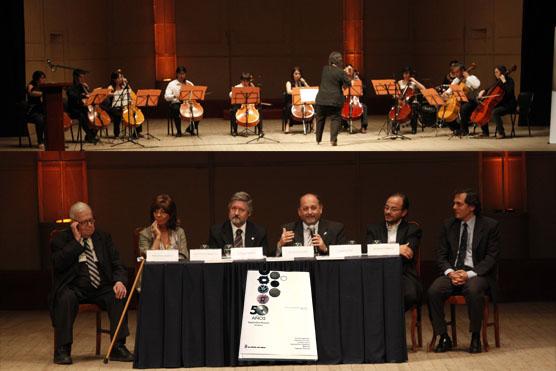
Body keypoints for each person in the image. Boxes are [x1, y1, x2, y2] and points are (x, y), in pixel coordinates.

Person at [48, 202, 134, 365]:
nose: (90, 225)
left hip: (101, 287)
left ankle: (117, 346)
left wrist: (119, 281)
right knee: (65, 298)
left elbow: (118, 264)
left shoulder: (103, 237)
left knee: (118, 294)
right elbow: (58, 263)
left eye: (92, 220)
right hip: (73, 287)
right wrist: (77, 242)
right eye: (85, 222)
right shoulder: (60, 239)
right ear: (74, 224)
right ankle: (62, 350)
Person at [427, 189, 500, 354]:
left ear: (472, 207)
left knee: (473, 290)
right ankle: (443, 336)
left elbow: (491, 258)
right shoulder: (448, 225)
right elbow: (441, 254)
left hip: (478, 273)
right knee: (433, 291)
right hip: (453, 271)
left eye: (458, 204)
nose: (454, 207)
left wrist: (469, 274)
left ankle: (475, 336)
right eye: (454, 203)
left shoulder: (490, 226)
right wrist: (450, 272)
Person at [366, 193, 422, 311]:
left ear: (404, 212)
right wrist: (397, 249)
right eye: (386, 208)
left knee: (410, 295)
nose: (388, 212)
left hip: (403, 272)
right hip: (378, 272)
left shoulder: (412, 229)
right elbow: (370, 250)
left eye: (394, 209)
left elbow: (408, 253)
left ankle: (392, 320)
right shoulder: (373, 229)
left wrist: (381, 249)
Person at [276, 193, 346, 256]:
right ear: (299, 212)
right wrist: (280, 245)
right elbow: (274, 258)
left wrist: (325, 249)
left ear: (321, 209)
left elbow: (343, 257)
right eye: (305, 209)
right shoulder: (288, 229)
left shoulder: (335, 229)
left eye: (313, 208)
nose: (309, 212)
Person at [314, 51, 352, 146]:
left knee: (320, 118)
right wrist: (347, 75)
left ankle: (318, 139)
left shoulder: (325, 69)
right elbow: (348, 83)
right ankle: (333, 140)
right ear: (339, 61)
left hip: (321, 99)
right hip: (335, 100)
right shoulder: (341, 72)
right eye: (341, 60)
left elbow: (331, 79)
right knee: (335, 118)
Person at [138, 194, 188, 259]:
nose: (158, 215)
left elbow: (184, 257)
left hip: (176, 268)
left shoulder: (179, 232)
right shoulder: (145, 234)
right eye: (156, 212)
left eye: (163, 212)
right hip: (154, 269)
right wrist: (158, 237)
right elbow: (147, 260)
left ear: (170, 215)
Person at [475, 65, 517, 139]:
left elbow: (509, 92)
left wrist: (504, 82)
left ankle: (501, 132)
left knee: (495, 112)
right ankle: (485, 132)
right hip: (501, 104)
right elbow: (490, 87)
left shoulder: (509, 81)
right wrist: (483, 91)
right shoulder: (498, 81)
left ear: (502, 72)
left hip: (509, 105)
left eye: (497, 72)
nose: (495, 74)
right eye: (495, 72)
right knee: (484, 107)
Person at [442, 63, 481, 135]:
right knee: (446, 109)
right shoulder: (456, 80)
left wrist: (467, 77)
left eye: (457, 72)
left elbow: (477, 85)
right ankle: (456, 128)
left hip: (472, 101)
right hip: (459, 100)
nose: (456, 74)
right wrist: (446, 93)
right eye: (454, 72)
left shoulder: (471, 77)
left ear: (463, 71)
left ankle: (464, 130)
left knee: (463, 108)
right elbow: (450, 89)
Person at [164, 66, 199, 137]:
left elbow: (194, 95)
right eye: (180, 74)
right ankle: (179, 131)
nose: (181, 76)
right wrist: (175, 96)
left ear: (185, 74)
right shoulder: (172, 84)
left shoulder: (190, 83)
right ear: (177, 74)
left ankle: (191, 129)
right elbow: (166, 97)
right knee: (175, 109)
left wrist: (192, 99)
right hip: (176, 103)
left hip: (188, 102)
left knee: (198, 111)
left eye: (183, 74)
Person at [67, 69, 98, 143]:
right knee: (82, 116)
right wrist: (82, 95)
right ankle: (90, 135)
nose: (82, 79)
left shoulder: (82, 86)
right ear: (75, 77)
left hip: (83, 108)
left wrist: (87, 89)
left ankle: (91, 133)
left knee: (94, 114)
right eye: (80, 77)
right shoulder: (70, 87)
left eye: (82, 77)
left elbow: (88, 96)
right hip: (74, 109)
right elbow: (72, 96)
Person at [229, 72, 263, 137]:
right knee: (234, 110)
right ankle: (235, 131)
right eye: (243, 81)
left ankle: (260, 131)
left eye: (246, 81)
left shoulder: (252, 87)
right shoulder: (237, 87)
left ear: (249, 81)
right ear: (241, 80)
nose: (245, 82)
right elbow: (230, 94)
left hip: (251, 106)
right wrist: (233, 93)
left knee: (259, 110)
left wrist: (253, 87)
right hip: (240, 106)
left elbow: (257, 97)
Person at [396, 66, 426, 134]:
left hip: (412, 102)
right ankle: (396, 128)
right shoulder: (399, 82)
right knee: (396, 108)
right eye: (404, 73)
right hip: (402, 101)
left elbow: (424, 89)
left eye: (407, 73)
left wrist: (414, 80)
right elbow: (398, 93)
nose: (405, 75)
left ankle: (414, 128)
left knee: (414, 108)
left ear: (410, 74)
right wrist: (399, 98)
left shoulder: (413, 83)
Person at [283, 66, 312, 133]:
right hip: (292, 101)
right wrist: (299, 91)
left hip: (302, 101)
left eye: (299, 74)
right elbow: (289, 91)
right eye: (296, 74)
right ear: (292, 74)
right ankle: (287, 125)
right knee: (288, 107)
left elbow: (310, 90)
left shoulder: (301, 82)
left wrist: (304, 82)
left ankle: (313, 123)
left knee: (312, 106)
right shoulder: (289, 82)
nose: (297, 75)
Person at [341, 64, 369, 133]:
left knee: (364, 107)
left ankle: (363, 126)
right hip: (345, 100)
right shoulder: (342, 78)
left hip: (355, 101)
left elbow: (363, 90)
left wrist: (361, 87)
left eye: (351, 70)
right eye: (348, 70)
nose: (349, 71)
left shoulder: (356, 78)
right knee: (339, 107)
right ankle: (345, 125)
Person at [26, 70, 47, 149]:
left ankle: (49, 140)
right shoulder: (31, 85)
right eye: (42, 78)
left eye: (44, 78)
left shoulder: (43, 86)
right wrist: (43, 93)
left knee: (50, 118)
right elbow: (30, 92)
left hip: (41, 111)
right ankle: (40, 141)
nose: (44, 80)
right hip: (32, 111)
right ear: (37, 78)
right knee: (40, 120)